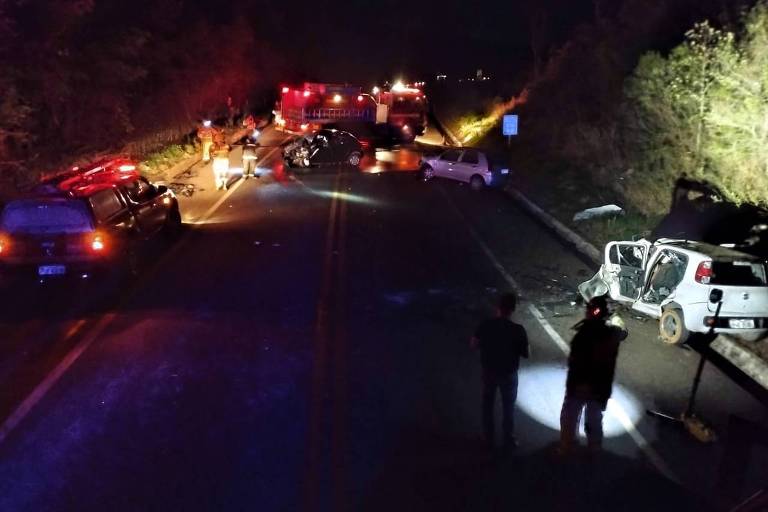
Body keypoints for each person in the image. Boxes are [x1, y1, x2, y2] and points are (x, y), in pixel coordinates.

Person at [559, 294, 628, 454]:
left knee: (569, 418)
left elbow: (574, 362)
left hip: (579, 385)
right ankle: (593, 449)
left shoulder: (582, 334)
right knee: (594, 420)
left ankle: (567, 447)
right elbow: (622, 331)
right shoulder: (612, 334)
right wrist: (616, 319)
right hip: (599, 387)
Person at [471, 292, 529, 453]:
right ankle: (508, 439)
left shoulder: (486, 325)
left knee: (487, 405)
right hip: (508, 373)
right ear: (513, 309)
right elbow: (526, 353)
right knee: (508, 407)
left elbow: (474, 344)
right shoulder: (518, 330)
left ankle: (488, 437)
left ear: (497, 307)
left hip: (489, 371)